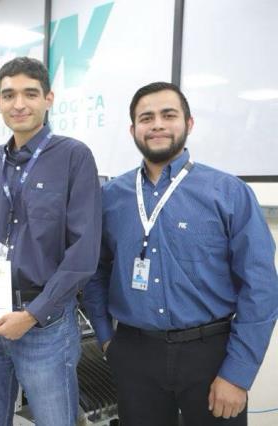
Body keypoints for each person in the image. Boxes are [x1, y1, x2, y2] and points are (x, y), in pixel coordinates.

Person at [83, 81, 278, 426]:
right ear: (133, 129)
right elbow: (94, 270)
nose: (157, 124)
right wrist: (106, 337)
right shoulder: (110, 197)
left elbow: (260, 286)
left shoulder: (228, 192)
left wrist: (237, 373)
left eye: (168, 115)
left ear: (188, 124)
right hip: (134, 354)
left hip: (211, 355)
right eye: (146, 118)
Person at [0, 56, 102, 426]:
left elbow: (83, 253)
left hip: (46, 324)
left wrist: (32, 314)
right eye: (9, 95)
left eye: (30, 94)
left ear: (48, 99)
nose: (19, 104)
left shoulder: (74, 157)